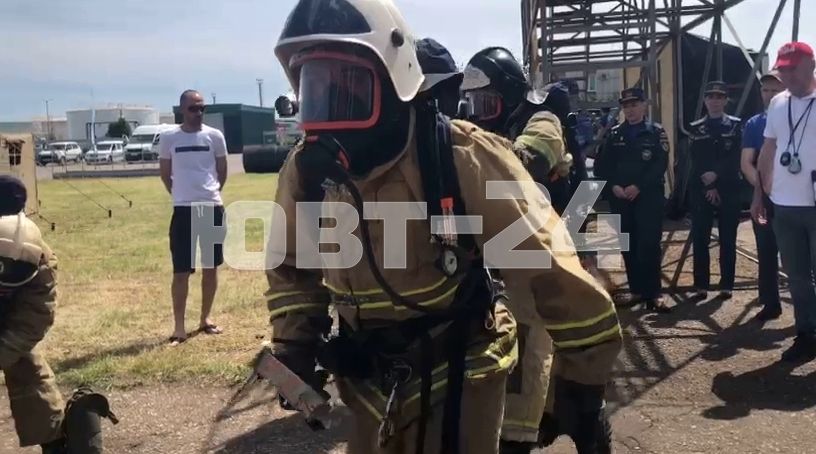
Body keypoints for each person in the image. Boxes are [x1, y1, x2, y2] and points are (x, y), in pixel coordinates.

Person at [265, 1, 623, 454]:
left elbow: (549, 267)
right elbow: (291, 270)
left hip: (460, 372)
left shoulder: (462, 156)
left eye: (349, 88)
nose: (332, 113)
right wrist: (295, 343)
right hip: (368, 383)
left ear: (394, 79)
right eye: (316, 89)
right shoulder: (307, 170)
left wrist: (583, 385)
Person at [455, 47, 612, 453]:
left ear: (509, 96)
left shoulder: (541, 119)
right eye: (472, 103)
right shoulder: (476, 135)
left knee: (532, 350)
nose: (478, 112)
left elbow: (530, 159)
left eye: (486, 102)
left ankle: (524, 434)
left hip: (544, 254)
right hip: (505, 255)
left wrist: (476, 162)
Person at [0, 176, 118, 453]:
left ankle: (54, 442)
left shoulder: (39, 259)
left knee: (27, 369)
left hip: (11, 319)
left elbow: (32, 321)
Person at [752, 42, 816, 362]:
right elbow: (768, 150)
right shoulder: (778, 104)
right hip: (785, 206)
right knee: (797, 275)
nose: (786, 74)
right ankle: (806, 333)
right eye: (783, 69)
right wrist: (760, 194)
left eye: (792, 68)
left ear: (811, 65)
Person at [159, 90, 228, 345]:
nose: (198, 113)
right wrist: (180, 194)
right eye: (193, 109)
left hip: (211, 207)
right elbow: (165, 174)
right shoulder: (169, 138)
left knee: (211, 267)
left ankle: (205, 318)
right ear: (182, 110)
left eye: (202, 108)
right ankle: (179, 327)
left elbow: (222, 171)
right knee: (181, 271)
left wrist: (209, 194)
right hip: (183, 210)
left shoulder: (214, 136)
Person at [594, 88, 671, 313]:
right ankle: (637, 291)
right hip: (621, 199)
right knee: (629, 246)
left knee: (649, 245)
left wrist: (639, 186)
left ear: (644, 105)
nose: (630, 109)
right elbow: (602, 166)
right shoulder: (615, 134)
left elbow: (659, 164)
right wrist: (614, 186)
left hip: (648, 198)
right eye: (626, 106)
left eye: (634, 104)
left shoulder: (656, 132)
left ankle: (654, 294)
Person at [688, 81, 743, 301]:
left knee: (728, 238)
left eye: (719, 97)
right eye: (710, 97)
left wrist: (716, 177)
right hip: (702, 188)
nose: (714, 101)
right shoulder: (695, 127)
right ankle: (701, 284)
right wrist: (709, 184)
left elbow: (736, 156)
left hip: (729, 187)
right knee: (700, 238)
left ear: (725, 100)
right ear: (705, 101)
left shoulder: (736, 126)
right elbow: (695, 158)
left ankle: (726, 284)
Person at [740, 71, 785, 322]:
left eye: (775, 90)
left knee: (801, 255)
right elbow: (747, 162)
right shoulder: (755, 124)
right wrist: (764, 186)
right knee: (766, 251)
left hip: (797, 198)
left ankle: (807, 310)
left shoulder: (801, 117)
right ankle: (770, 303)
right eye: (766, 90)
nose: (770, 95)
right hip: (765, 195)